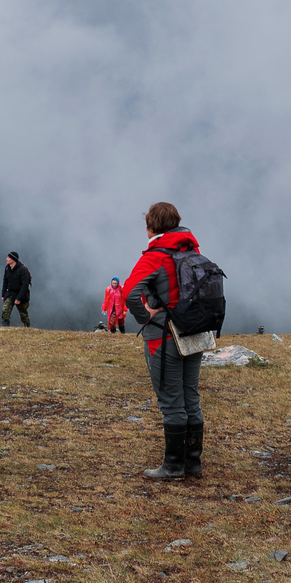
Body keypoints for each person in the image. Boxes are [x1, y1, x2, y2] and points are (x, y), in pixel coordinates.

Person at [123, 201, 207, 480]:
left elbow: (129, 293)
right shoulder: (192, 250)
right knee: (190, 397)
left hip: (164, 336)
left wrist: (145, 317)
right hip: (194, 331)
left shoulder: (155, 255)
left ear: (151, 227)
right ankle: (192, 463)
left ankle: (173, 466)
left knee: (171, 401)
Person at [1, 252, 32, 327]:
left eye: (8, 258)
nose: (6, 259)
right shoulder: (7, 268)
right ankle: (5, 329)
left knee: (23, 314)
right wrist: (3, 294)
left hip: (21, 295)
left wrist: (19, 298)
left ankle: (27, 329)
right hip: (10, 293)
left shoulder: (22, 269)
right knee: (5, 311)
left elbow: (25, 285)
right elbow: (5, 281)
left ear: (13, 260)